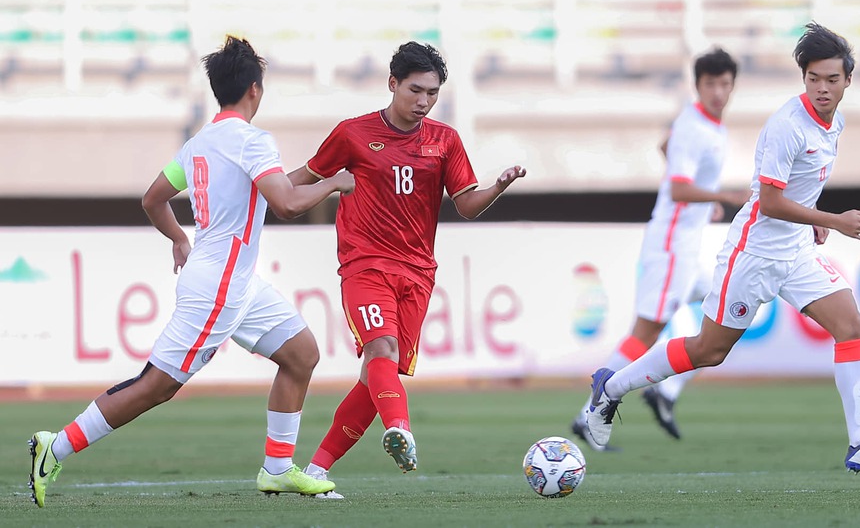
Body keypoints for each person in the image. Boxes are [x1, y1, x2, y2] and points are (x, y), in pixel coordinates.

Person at [27, 36, 355, 507]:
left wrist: (180, 238)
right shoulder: (253, 140)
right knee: (155, 387)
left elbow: (153, 198)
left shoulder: (201, 143)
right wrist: (334, 183)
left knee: (301, 354)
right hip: (219, 287)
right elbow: (285, 202)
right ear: (255, 91)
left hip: (232, 281)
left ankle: (278, 469)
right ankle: (53, 446)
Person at [585, 23, 860, 473]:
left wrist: (814, 220)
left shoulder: (835, 121)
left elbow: (800, 188)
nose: (822, 88)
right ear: (803, 78)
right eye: (814, 79)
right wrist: (832, 221)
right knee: (708, 350)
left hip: (796, 251)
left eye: (831, 80)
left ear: (848, 81)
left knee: (850, 323)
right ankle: (611, 388)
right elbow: (772, 201)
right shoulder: (787, 126)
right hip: (754, 254)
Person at [287, 41, 526, 496]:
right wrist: (259, 184)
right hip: (364, 264)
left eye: (433, 93)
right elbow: (301, 179)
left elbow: (467, 206)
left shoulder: (445, 140)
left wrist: (497, 185)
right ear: (393, 84)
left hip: (417, 273)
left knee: (376, 376)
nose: (424, 101)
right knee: (382, 351)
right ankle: (402, 430)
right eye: (416, 90)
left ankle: (316, 471)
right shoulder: (353, 134)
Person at [570, 48, 747, 451]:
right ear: (697, 85)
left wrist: (708, 201)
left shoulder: (705, 125)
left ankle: (665, 392)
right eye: (710, 84)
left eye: (725, 84)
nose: (718, 92)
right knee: (645, 333)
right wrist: (723, 195)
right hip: (671, 247)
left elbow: (665, 149)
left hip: (688, 246)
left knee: (741, 298)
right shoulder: (696, 127)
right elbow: (679, 187)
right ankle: (589, 414)